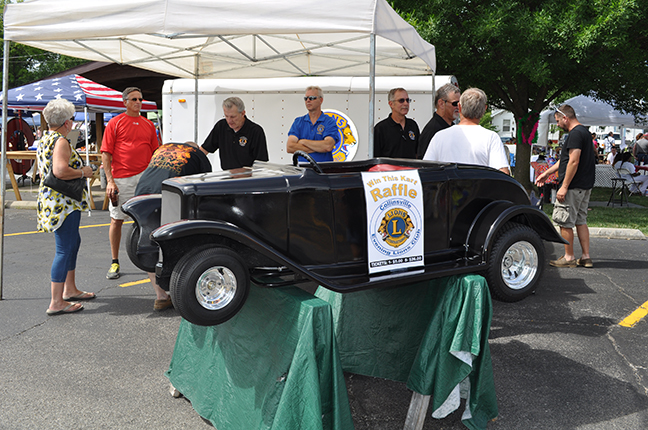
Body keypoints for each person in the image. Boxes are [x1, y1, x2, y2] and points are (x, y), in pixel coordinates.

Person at [135, 142, 213, 310]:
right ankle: (181, 291)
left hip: (142, 193)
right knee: (174, 240)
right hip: (166, 194)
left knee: (148, 244)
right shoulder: (197, 154)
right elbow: (205, 185)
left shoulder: (164, 147)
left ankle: (161, 296)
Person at [37, 99, 96, 315]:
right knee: (64, 249)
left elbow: (63, 151)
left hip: (54, 201)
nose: (73, 122)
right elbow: (61, 170)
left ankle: (69, 289)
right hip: (64, 202)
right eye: (71, 119)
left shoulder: (48, 139)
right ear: (66, 122)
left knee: (71, 244)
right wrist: (84, 172)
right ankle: (56, 301)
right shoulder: (60, 141)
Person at [101, 87, 159, 280]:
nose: (138, 102)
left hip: (144, 178)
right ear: (125, 102)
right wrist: (110, 181)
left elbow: (155, 153)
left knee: (148, 219)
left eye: (140, 99)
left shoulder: (149, 125)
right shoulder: (115, 123)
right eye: (134, 99)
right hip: (121, 179)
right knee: (117, 219)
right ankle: (114, 261)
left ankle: (150, 260)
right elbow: (106, 154)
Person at [535, 104, 595, 268]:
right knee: (581, 220)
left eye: (558, 120)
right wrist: (547, 173)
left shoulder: (574, 135)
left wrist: (564, 186)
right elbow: (566, 160)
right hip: (585, 186)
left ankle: (569, 258)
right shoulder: (585, 133)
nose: (558, 124)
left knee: (565, 221)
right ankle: (586, 257)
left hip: (573, 186)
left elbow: (574, 161)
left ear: (565, 118)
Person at [422, 87, 510, 174]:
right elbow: (503, 173)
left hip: (447, 187)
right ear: (484, 109)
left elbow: (426, 170)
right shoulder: (491, 137)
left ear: (459, 107)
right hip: (479, 187)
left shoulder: (439, 136)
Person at [200, 97, 269, 169]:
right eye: (226, 116)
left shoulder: (255, 131)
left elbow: (261, 164)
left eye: (233, 117)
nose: (229, 121)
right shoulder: (221, 126)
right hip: (227, 176)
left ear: (242, 113)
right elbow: (204, 149)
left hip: (248, 178)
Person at [286, 86, 340, 162]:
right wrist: (318, 148)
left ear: (320, 100)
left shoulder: (329, 122)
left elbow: (328, 146)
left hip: (322, 170)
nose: (308, 100)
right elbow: (290, 147)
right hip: (303, 169)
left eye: (312, 98)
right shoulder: (298, 121)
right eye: (306, 98)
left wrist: (303, 142)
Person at [373, 88, 420, 159]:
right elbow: (376, 157)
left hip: (411, 169)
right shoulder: (380, 129)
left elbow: (418, 153)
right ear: (391, 104)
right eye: (401, 100)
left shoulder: (413, 125)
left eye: (407, 100)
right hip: (390, 170)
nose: (406, 103)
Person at [417, 84, 461, 158]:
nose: (458, 107)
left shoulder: (453, 127)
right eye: (455, 103)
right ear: (441, 103)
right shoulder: (432, 131)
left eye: (460, 104)